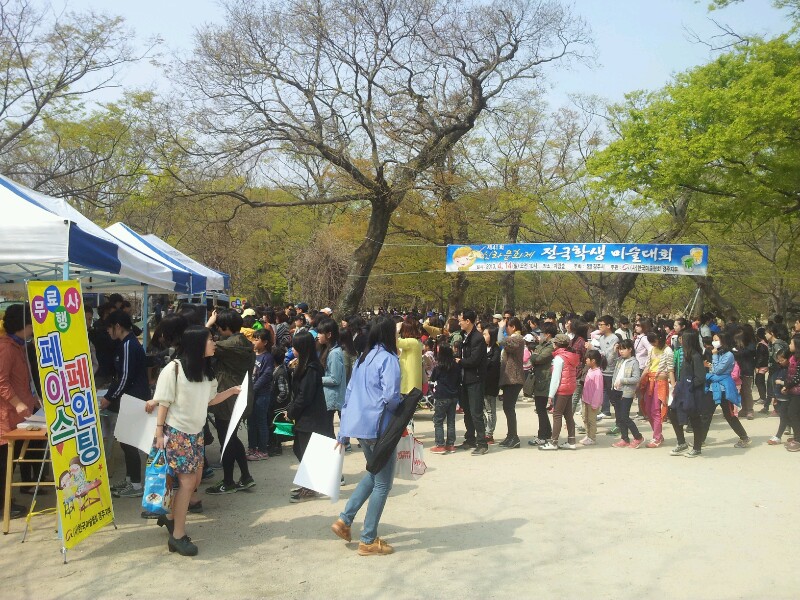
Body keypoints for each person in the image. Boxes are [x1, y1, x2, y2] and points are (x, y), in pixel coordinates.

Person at [150, 326, 242, 556]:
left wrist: (231, 391)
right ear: (197, 343)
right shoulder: (173, 369)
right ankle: (178, 536)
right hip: (177, 433)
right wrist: (159, 432)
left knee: (195, 480)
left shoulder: (206, 371)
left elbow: (209, 400)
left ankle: (171, 517)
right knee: (188, 482)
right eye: (211, 339)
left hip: (195, 434)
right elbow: (163, 402)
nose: (215, 343)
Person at [331, 316, 402, 556]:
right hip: (380, 428)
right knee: (383, 483)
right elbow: (391, 396)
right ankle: (368, 539)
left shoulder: (363, 358)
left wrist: (343, 432)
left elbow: (349, 394)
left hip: (359, 426)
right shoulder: (388, 359)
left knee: (373, 474)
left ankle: (345, 519)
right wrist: (400, 411)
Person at [204, 309, 256, 495]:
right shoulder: (245, 343)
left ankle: (228, 482)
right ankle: (246, 477)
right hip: (241, 397)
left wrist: (208, 324)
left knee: (226, 441)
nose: (217, 330)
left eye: (219, 326)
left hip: (227, 398)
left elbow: (199, 342)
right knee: (232, 438)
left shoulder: (226, 346)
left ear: (225, 327)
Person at [103, 310, 151, 498]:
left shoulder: (128, 345)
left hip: (134, 399)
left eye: (109, 328)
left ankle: (136, 485)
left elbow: (125, 377)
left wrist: (109, 397)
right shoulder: (126, 344)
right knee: (125, 441)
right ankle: (130, 479)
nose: (108, 332)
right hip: (131, 399)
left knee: (129, 442)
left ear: (117, 326)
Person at [0, 304, 38, 519]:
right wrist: (17, 403)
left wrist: (32, 400)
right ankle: (3, 506)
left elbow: (22, 381)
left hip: (18, 416)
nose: (33, 329)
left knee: (9, 462)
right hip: (6, 417)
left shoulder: (18, 346)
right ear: (22, 325)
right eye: (31, 325)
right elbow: (1, 381)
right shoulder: (6, 348)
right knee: (3, 463)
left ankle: (6, 500)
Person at [286, 330, 329, 502]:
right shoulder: (303, 365)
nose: (292, 349)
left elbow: (305, 396)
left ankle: (310, 488)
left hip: (311, 418)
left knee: (305, 452)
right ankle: (309, 484)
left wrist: (291, 411)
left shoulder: (311, 368)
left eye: (295, 346)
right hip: (306, 417)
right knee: (300, 449)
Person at [669, 330, 713, 457]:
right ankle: (681, 442)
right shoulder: (686, 354)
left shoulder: (696, 356)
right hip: (682, 389)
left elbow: (700, 378)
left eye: (683, 338)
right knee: (672, 413)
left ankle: (697, 448)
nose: (680, 340)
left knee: (694, 419)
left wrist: (688, 386)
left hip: (693, 392)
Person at [705, 331, 751, 448]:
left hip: (725, 389)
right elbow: (713, 369)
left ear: (723, 341)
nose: (714, 342)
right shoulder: (719, 353)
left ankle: (744, 437)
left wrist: (714, 356)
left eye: (716, 340)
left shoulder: (729, 355)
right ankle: (700, 440)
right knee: (706, 414)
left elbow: (717, 370)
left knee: (729, 415)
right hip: (714, 388)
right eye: (713, 340)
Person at [539, 334, 580, 451]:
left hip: (562, 389)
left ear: (556, 344)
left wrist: (550, 395)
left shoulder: (559, 358)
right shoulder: (571, 355)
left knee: (557, 415)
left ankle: (554, 442)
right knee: (568, 415)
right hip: (570, 387)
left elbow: (556, 378)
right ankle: (571, 441)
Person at [456, 310, 488, 455]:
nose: (459, 323)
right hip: (464, 379)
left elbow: (474, 360)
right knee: (467, 411)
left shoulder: (477, 338)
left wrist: (460, 361)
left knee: (476, 412)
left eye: (461, 320)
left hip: (475, 379)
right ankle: (470, 439)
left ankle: (482, 443)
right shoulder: (464, 336)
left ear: (468, 321)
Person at [640, 330, 674, 448]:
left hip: (660, 382)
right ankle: (658, 434)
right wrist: (640, 381)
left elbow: (670, 370)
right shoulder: (651, 349)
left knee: (656, 410)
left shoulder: (668, 351)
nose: (653, 344)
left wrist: (673, 386)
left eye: (654, 341)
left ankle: (657, 437)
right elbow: (647, 367)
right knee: (647, 409)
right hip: (650, 381)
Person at [610, 340, 644, 448]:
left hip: (626, 393)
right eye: (620, 349)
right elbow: (610, 361)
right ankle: (624, 439)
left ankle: (638, 437)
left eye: (624, 349)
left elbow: (636, 378)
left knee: (625, 416)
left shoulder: (634, 362)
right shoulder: (620, 360)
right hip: (617, 391)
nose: (621, 351)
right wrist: (614, 351)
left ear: (630, 349)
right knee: (620, 417)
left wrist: (622, 380)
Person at [497, 317, 525, 448]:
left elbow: (501, 341)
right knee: (508, 407)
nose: (505, 329)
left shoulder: (517, 339)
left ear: (513, 327)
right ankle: (510, 435)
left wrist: (500, 328)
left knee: (509, 407)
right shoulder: (514, 338)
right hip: (510, 378)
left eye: (507, 326)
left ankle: (514, 437)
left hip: (514, 378)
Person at [247, 328, 274, 461]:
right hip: (251, 394)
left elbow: (266, 376)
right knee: (251, 422)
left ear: (265, 342)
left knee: (261, 422)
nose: (254, 341)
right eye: (254, 339)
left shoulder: (267, 357)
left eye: (257, 339)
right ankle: (252, 448)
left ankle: (263, 450)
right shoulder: (252, 355)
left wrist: (253, 389)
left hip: (262, 395)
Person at [429, 345, 460, 454]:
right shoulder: (456, 366)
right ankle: (450, 444)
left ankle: (440, 445)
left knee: (438, 421)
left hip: (442, 396)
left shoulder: (439, 367)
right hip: (453, 396)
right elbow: (459, 380)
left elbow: (432, 379)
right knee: (451, 421)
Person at [528, 323, 555, 446]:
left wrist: (534, 356)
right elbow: (534, 356)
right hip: (539, 379)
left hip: (545, 380)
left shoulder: (551, 346)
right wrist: (534, 355)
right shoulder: (542, 345)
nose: (540, 336)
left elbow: (537, 358)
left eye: (542, 333)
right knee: (540, 409)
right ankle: (547, 432)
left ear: (547, 334)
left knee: (541, 409)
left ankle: (542, 436)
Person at [318, 318, 346, 439]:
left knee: (327, 431)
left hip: (332, 398)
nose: (318, 336)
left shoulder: (334, 353)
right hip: (328, 397)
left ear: (329, 334)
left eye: (320, 333)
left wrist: (318, 379)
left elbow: (335, 379)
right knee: (327, 430)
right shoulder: (328, 350)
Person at [593, 315, 619, 421]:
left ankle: (620, 416)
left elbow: (609, 355)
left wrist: (594, 349)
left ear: (608, 326)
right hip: (602, 369)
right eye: (598, 324)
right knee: (603, 391)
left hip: (611, 370)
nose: (599, 326)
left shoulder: (614, 338)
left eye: (601, 324)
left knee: (612, 394)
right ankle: (605, 411)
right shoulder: (601, 338)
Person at [580, 349, 605, 445]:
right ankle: (588, 435)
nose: (586, 360)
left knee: (591, 420)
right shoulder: (590, 370)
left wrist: (595, 404)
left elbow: (598, 390)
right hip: (586, 400)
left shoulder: (598, 373)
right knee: (585, 418)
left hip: (593, 402)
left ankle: (592, 438)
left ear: (593, 361)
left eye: (587, 358)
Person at [482, 324, 501, 444]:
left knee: (490, 410)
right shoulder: (482, 348)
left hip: (491, 385)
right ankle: (484, 430)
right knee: (480, 409)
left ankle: (489, 434)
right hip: (481, 384)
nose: (483, 336)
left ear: (492, 335)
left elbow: (493, 366)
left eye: (485, 334)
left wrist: (484, 363)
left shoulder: (496, 350)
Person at [767, 348, 790, 445]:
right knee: (786, 416)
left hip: (786, 397)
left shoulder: (790, 369)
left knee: (784, 417)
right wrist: (774, 396)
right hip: (779, 396)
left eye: (782, 360)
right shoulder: (779, 368)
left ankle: (778, 436)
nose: (780, 362)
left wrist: (782, 383)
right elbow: (774, 383)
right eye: (778, 360)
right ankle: (796, 436)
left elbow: (792, 382)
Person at [781, 335, 800, 451]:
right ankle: (797, 436)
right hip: (793, 390)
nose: (789, 345)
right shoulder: (793, 357)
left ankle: (798, 440)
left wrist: (786, 386)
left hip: (798, 391)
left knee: (792, 413)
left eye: (791, 343)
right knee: (794, 413)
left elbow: (798, 377)